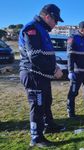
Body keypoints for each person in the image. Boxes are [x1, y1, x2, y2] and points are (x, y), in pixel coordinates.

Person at [19, 4, 65, 147]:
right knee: (37, 106)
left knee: (46, 102)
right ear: (47, 16)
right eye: (55, 20)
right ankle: (36, 137)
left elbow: (47, 54)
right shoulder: (31, 29)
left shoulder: (42, 30)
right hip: (33, 75)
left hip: (42, 76)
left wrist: (55, 65)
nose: (56, 24)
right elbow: (35, 57)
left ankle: (49, 125)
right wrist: (54, 70)